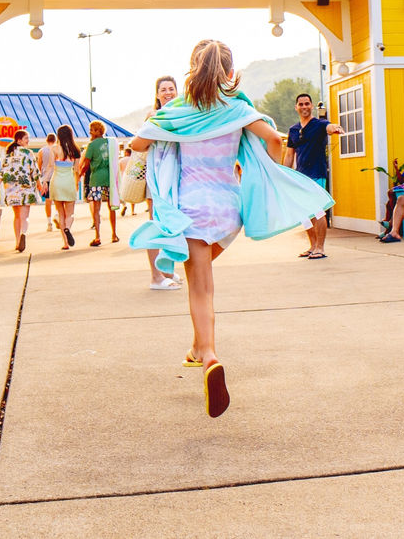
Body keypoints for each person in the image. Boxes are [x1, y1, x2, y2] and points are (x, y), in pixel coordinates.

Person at [128, 40, 332, 418]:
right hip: (228, 207)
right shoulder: (238, 108)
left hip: (191, 206)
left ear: (193, 67)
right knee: (200, 277)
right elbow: (273, 138)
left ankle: (208, 356)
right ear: (229, 69)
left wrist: (170, 133)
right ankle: (195, 347)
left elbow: (139, 142)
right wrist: (262, 170)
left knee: (200, 287)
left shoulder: (178, 109)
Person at [283, 92, 343, 259]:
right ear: (296, 107)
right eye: (301, 104)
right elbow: (289, 156)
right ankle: (312, 246)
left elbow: (329, 127)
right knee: (305, 214)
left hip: (317, 173)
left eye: (307, 104)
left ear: (311, 106)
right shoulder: (293, 130)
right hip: (300, 177)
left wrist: (335, 128)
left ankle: (320, 248)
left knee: (318, 211)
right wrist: (283, 176)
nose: (304, 107)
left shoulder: (319, 124)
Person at [142, 75, 182, 290]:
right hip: (157, 176)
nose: (168, 92)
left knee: (170, 223)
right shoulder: (154, 115)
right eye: (163, 89)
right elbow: (141, 142)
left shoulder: (181, 112)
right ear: (157, 94)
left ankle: (166, 270)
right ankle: (155, 277)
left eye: (171, 89)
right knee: (157, 224)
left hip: (174, 174)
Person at [0, 129, 42, 253]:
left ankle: (17, 241)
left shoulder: (9, 154)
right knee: (25, 217)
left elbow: (3, 172)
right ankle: (24, 233)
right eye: (26, 138)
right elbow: (34, 170)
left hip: (12, 189)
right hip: (26, 188)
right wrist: (39, 185)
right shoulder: (28, 153)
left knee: (17, 216)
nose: (28, 140)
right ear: (19, 140)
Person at [79, 120, 117, 246]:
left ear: (97, 131)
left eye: (92, 129)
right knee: (112, 207)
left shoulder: (92, 145)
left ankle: (98, 236)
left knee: (96, 208)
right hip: (109, 177)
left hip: (96, 178)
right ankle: (114, 234)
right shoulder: (110, 143)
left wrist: (79, 174)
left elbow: (86, 163)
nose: (90, 132)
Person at [50, 125, 82, 250]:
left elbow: (50, 167)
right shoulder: (75, 149)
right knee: (70, 214)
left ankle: (65, 243)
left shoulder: (54, 149)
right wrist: (76, 184)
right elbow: (77, 170)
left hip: (56, 181)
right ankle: (68, 228)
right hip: (69, 182)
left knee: (61, 214)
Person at [36, 133, 58, 231]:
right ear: (55, 140)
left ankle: (49, 223)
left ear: (46, 140)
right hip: (57, 176)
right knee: (58, 199)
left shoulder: (41, 151)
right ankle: (57, 215)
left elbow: (39, 165)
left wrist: (42, 176)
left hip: (46, 178)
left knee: (48, 201)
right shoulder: (58, 149)